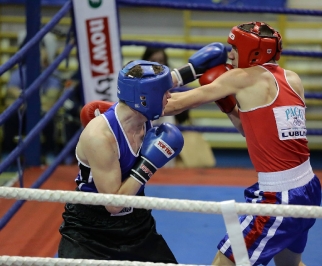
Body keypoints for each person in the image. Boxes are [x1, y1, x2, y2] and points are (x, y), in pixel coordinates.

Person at [165, 22, 322, 266]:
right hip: (308, 187)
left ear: (254, 52)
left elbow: (173, 104)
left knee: (224, 263)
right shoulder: (293, 79)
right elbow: (255, 132)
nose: (229, 54)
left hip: (279, 198)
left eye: (235, 48)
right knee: (289, 264)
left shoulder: (242, 78)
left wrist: (173, 78)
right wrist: (228, 106)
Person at [58, 42, 227, 262]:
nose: (170, 96)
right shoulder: (100, 137)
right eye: (164, 93)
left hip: (137, 223)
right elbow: (114, 204)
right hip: (90, 231)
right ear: (145, 99)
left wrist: (196, 71)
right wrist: (148, 163)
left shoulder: (142, 108)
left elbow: (177, 96)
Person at [1, 30, 62, 166]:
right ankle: (7, 152)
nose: (37, 54)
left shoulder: (52, 74)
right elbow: (10, 97)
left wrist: (24, 98)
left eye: (41, 50)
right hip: (23, 114)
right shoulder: (21, 72)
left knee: (48, 116)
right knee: (10, 116)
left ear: (48, 53)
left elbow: (50, 102)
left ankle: (49, 152)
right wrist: (32, 100)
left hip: (40, 114)